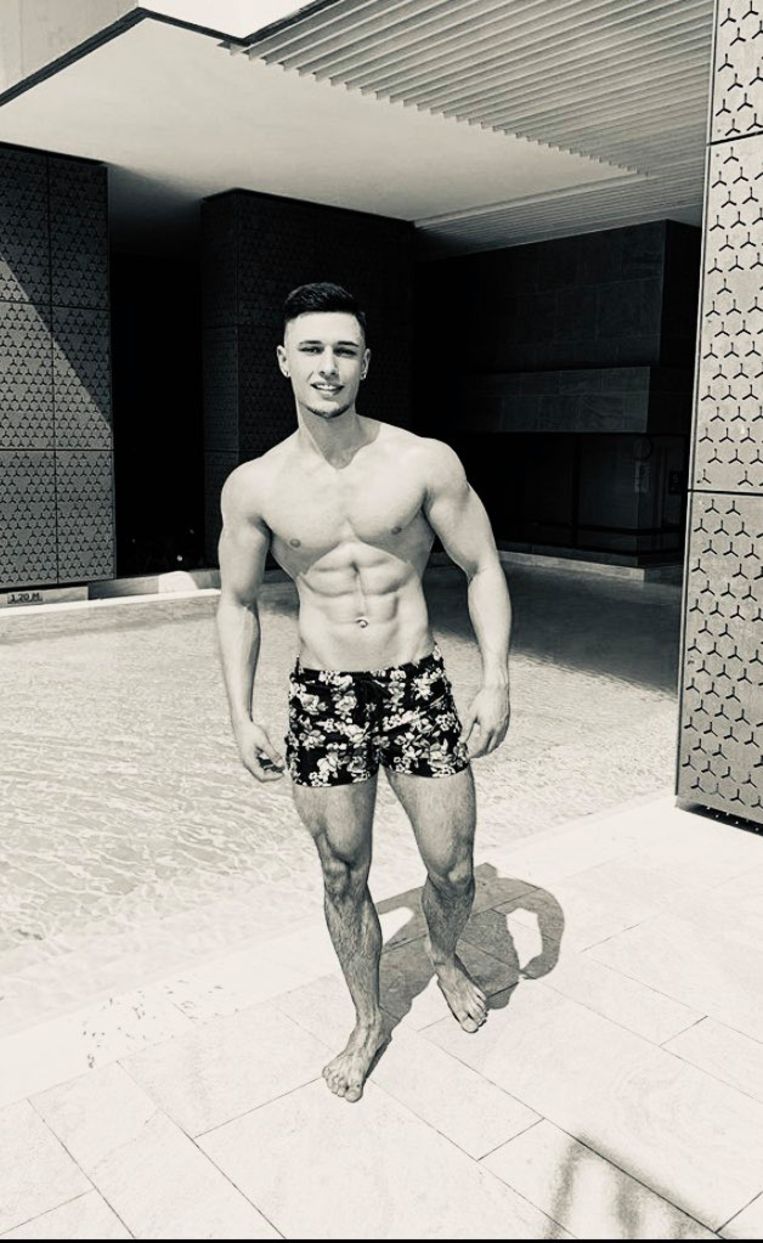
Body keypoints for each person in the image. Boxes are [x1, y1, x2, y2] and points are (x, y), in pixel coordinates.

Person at [216, 282, 512, 1103]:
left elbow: (482, 567)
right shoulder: (254, 485)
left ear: (366, 362)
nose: (328, 365)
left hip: (415, 684)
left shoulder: (422, 461)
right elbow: (237, 602)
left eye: (344, 350)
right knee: (342, 871)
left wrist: (495, 678)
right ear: (283, 360)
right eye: (311, 349)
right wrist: (239, 714)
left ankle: (444, 955)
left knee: (452, 868)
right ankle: (367, 1017)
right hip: (323, 697)